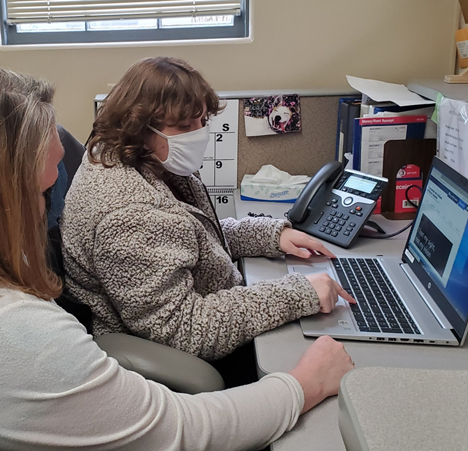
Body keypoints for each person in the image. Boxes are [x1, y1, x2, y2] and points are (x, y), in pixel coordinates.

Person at [0, 63, 354, 450]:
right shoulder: (12, 335)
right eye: (43, 193)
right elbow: (181, 429)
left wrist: (267, 237)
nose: (50, 215)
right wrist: (302, 384)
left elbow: (191, 235)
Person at [61, 56, 355, 384]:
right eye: (184, 126)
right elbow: (186, 329)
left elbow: (190, 236)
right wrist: (297, 293)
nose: (198, 133)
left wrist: (270, 236)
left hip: (205, 317)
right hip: (180, 362)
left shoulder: (145, 158)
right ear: (139, 126)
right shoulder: (128, 215)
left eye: (202, 120)